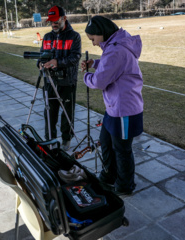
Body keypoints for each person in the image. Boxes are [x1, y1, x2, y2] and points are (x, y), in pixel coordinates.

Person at [81, 16, 144, 196]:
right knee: (106, 142)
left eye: (93, 39)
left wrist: (86, 76)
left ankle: (125, 185)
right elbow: (112, 66)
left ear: (101, 33)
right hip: (114, 108)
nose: (93, 44)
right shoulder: (114, 46)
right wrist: (95, 63)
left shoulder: (115, 49)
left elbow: (100, 81)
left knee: (122, 149)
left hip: (124, 109)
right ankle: (109, 175)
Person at [38, 5, 81, 151]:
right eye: (51, 21)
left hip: (68, 81)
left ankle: (66, 139)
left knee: (67, 113)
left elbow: (75, 57)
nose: (53, 24)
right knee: (49, 112)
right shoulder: (47, 37)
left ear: (64, 18)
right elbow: (41, 55)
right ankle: (50, 139)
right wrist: (40, 64)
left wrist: (58, 62)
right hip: (50, 81)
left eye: (56, 21)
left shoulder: (74, 36)